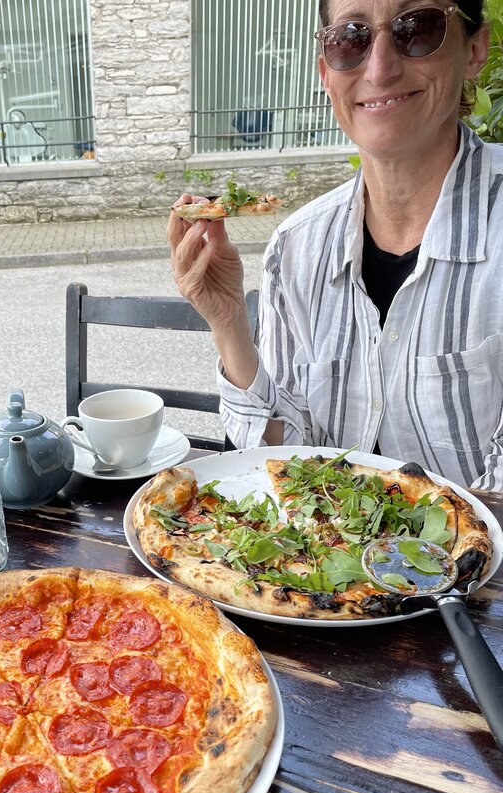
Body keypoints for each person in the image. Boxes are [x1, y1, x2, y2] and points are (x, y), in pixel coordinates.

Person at [168, 1, 503, 491]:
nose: (380, 68)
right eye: (350, 38)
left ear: (474, 49)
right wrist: (229, 325)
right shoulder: (295, 248)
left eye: (417, 28)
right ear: (326, 72)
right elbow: (288, 460)